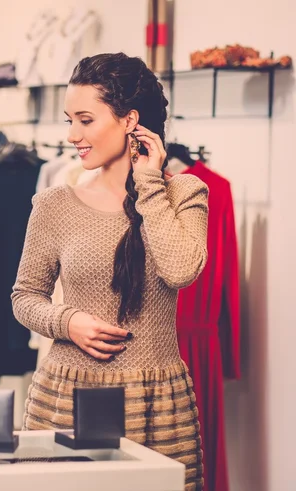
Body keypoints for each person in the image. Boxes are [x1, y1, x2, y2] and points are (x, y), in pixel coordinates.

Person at [12, 53, 208, 491]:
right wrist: (68, 321)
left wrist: (150, 184)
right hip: (67, 397)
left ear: (129, 120)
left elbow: (180, 271)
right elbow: (25, 297)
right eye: (69, 120)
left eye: (85, 120)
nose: (72, 136)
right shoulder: (53, 204)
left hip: (156, 403)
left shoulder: (186, 193)